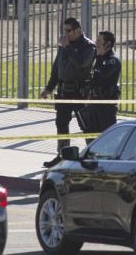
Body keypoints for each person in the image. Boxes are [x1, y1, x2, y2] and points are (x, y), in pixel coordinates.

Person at [40, 17, 96, 168]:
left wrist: (67, 47)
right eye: (63, 31)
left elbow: (81, 63)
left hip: (79, 92)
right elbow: (57, 68)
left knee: (86, 126)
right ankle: (62, 155)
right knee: (61, 123)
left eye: (68, 31)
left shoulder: (88, 46)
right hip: (64, 92)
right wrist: (49, 88)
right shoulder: (65, 46)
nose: (65, 34)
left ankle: (92, 156)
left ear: (78, 30)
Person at [78, 31, 121, 142]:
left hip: (106, 104)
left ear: (108, 44)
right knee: (91, 135)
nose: (96, 43)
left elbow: (104, 72)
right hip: (94, 102)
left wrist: (100, 57)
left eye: (99, 41)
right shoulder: (98, 56)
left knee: (107, 137)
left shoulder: (113, 59)